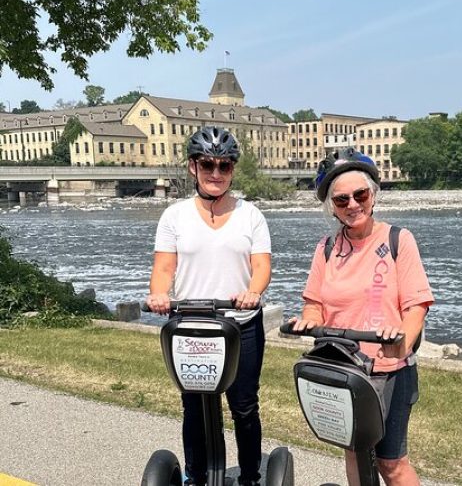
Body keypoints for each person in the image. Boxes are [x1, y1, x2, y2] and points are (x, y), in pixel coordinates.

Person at [291, 147, 434, 486]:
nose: (353, 205)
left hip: (390, 370)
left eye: (360, 195)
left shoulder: (398, 239)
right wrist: (309, 318)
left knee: (391, 462)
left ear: (373, 195)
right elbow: (314, 303)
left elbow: (417, 305)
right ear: (332, 207)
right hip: (343, 367)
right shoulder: (326, 248)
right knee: (354, 452)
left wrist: (401, 341)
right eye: (342, 200)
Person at [146, 126, 271, 486]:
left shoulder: (251, 215)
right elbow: (164, 267)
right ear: (192, 167)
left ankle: (250, 477)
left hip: (241, 325)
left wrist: (253, 291)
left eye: (224, 166)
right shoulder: (174, 216)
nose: (216, 173)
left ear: (232, 169)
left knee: (244, 407)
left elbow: (261, 266)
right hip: (190, 325)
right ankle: (195, 477)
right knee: (195, 407)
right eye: (207, 165)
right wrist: (159, 294)